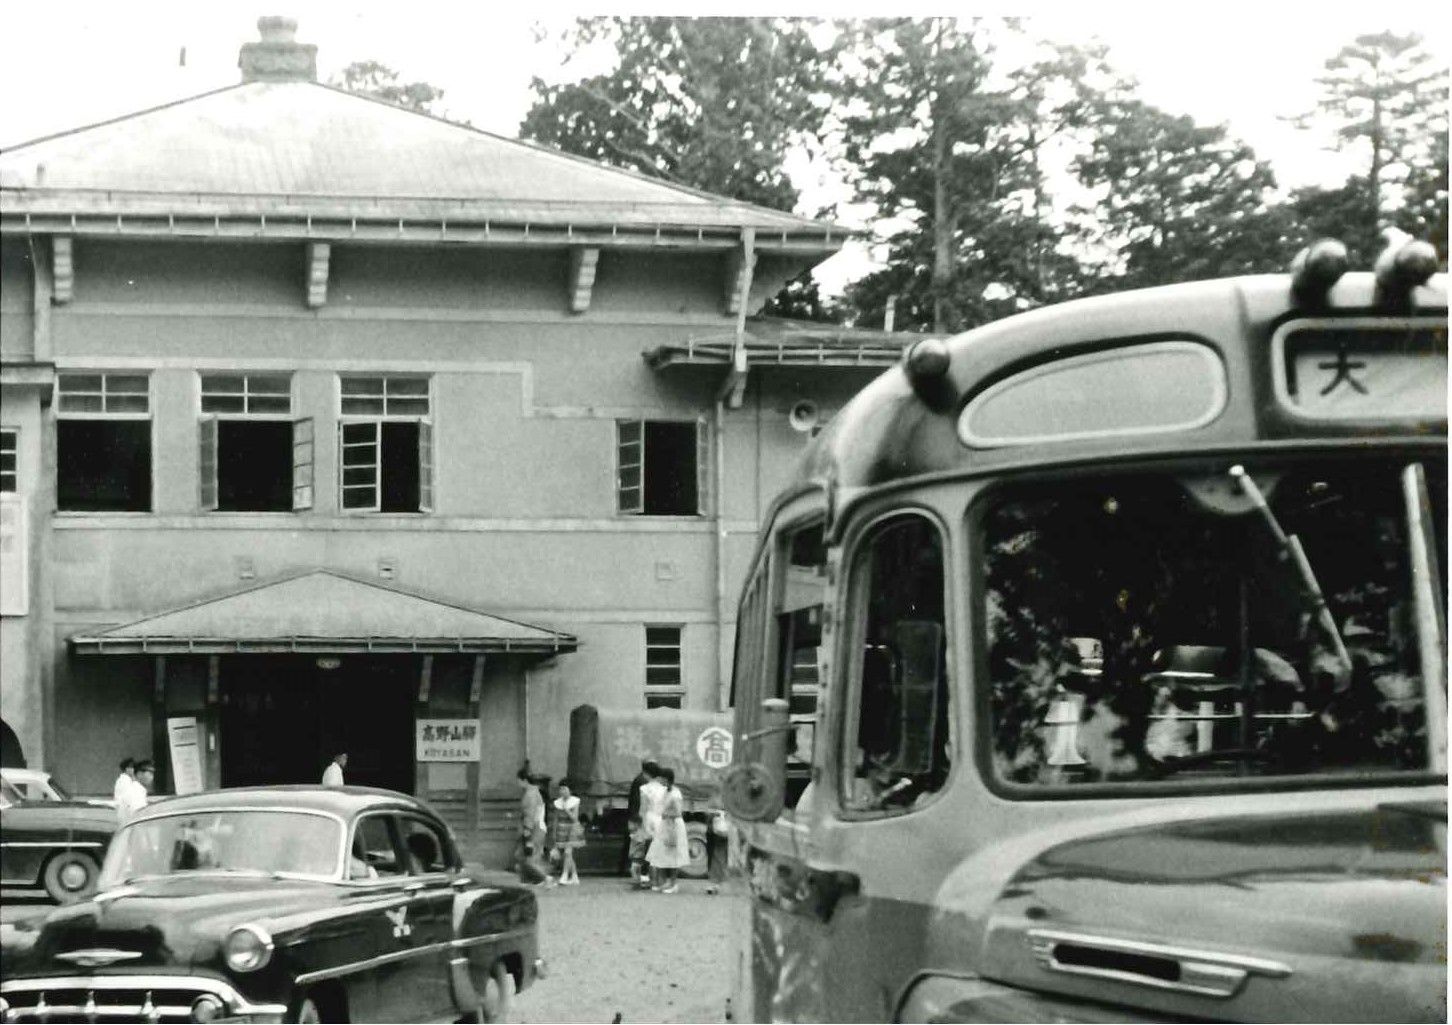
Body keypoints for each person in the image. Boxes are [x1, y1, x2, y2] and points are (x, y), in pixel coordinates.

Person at [645, 767, 689, 893]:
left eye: (662, 779)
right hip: (665, 824)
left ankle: (673, 884)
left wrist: (667, 816)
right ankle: (665, 882)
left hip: (673, 825)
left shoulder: (675, 793)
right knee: (662, 853)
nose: (660, 781)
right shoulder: (666, 791)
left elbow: (678, 812)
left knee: (673, 854)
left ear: (667, 779)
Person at [632, 762, 666, 890]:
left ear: (647, 773)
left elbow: (642, 808)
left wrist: (640, 822)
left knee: (647, 848)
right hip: (660, 818)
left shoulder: (644, 789)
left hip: (649, 818)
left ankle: (645, 877)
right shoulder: (663, 789)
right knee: (659, 848)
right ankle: (657, 879)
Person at [515, 768, 548, 885]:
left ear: (524, 780)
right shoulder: (532, 793)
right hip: (534, 827)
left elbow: (530, 813)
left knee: (531, 857)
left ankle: (543, 878)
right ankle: (528, 879)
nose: (518, 783)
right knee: (523, 856)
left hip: (535, 828)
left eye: (519, 780)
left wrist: (527, 830)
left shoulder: (531, 794)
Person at [550, 780, 584, 886]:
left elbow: (575, 818)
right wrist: (554, 833)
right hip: (561, 829)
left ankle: (564, 876)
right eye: (561, 789)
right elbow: (555, 819)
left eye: (564, 789)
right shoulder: (557, 803)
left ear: (570, 790)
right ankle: (574, 876)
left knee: (567, 853)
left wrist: (566, 809)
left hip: (572, 829)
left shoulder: (575, 801)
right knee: (568, 855)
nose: (562, 791)